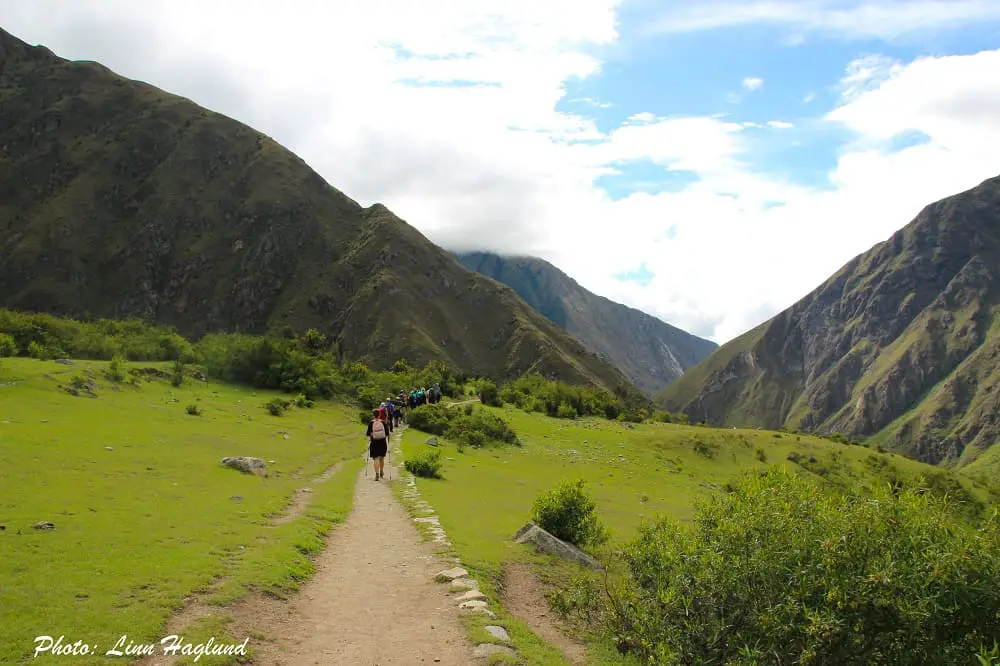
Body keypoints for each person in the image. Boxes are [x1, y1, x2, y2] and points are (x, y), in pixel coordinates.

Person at [366, 408, 389, 480]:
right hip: (382, 442)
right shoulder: (383, 422)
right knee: (381, 458)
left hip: (374, 443)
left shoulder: (371, 423)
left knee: (376, 458)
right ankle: (381, 472)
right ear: (379, 415)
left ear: (373, 415)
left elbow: (368, 434)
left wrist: (369, 441)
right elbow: (387, 434)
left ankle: (377, 474)